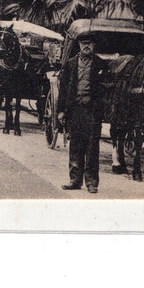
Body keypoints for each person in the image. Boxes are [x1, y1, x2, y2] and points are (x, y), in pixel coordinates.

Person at [57, 33, 108, 194]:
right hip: (75, 110)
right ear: (79, 45)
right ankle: (75, 180)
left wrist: (103, 108)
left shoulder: (101, 65)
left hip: (93, 111)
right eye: (83, 43)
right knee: (75, 145)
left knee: (92, 147)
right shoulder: (70, 64)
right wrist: (60, 111)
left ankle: (92, 182)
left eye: (90, 44)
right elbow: (63, 89)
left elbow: (106, 89)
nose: (86, 46)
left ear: (94, 46)